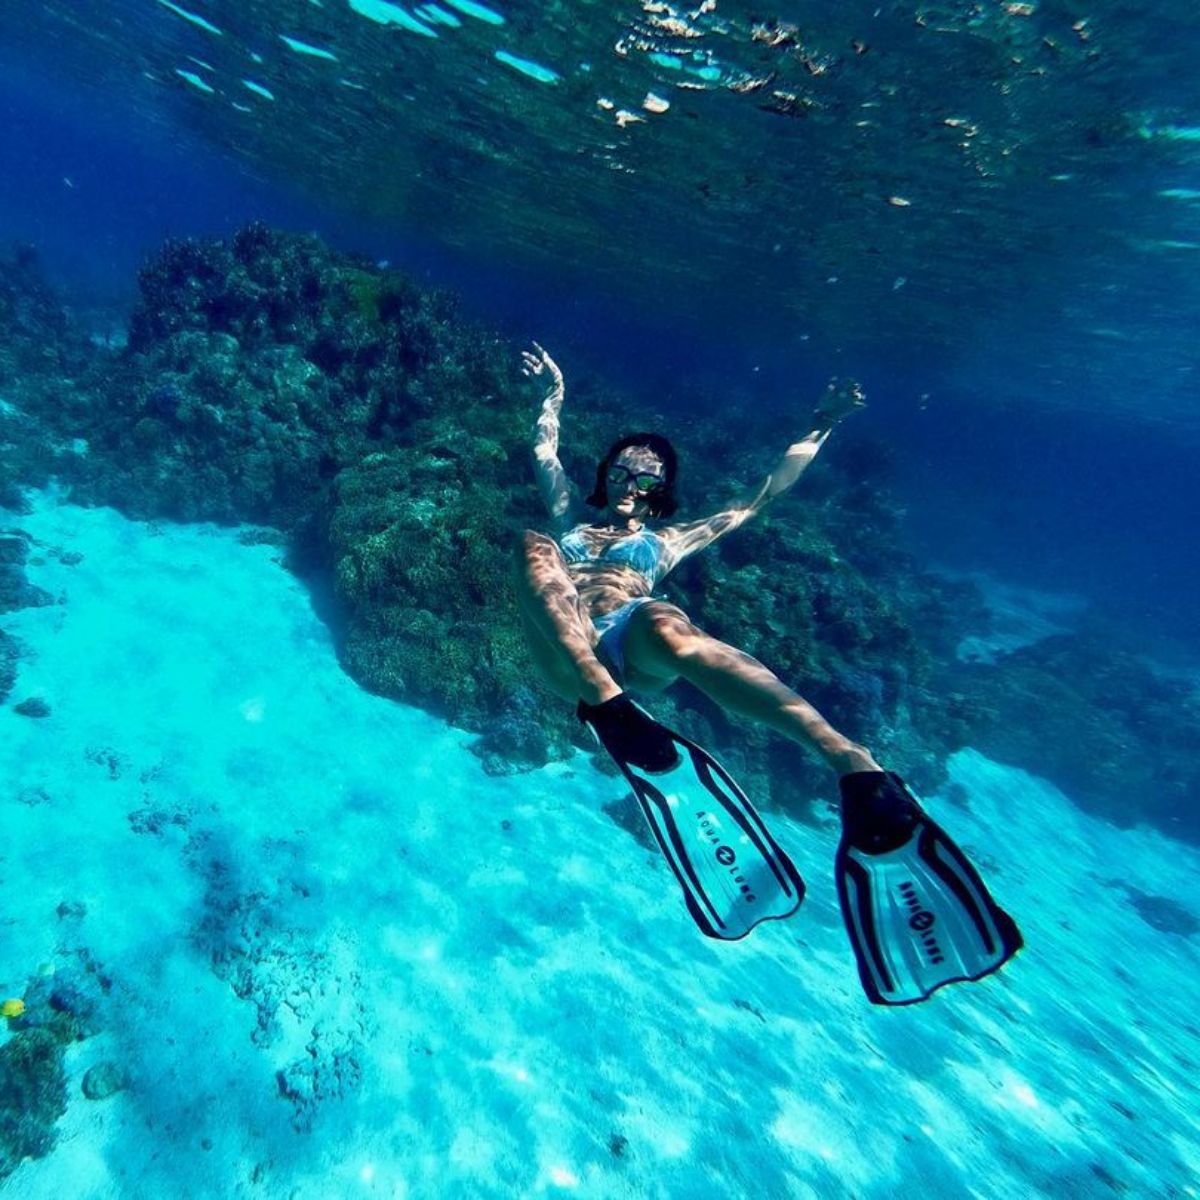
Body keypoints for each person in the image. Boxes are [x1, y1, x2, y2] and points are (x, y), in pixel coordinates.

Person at [515, 344, 1021, 1005]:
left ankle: (852, 762)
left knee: (668, 621)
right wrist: (554, 394)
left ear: (661, 488)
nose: (634, 472)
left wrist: (823, 422)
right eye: (624, 463)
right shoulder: (570, 523)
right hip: (572, 659)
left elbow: (762, 494)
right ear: (607, 473)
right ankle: (612, 711)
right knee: (533, 546)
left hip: (632, 647)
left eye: (649, 469)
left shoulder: (669, 540)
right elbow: (544, 453)